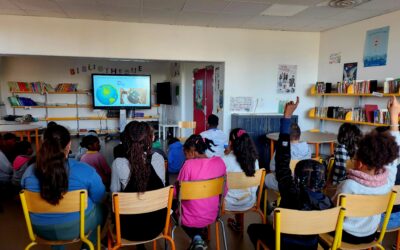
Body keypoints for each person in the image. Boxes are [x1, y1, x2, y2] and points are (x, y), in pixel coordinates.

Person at [247, 97, 333, 250]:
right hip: (310, 246)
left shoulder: (289, 191)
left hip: (284, 243)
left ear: (297, 177)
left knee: (253, 228)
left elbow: (281, 162)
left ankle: (265, 207)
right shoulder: (327, 203)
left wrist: (286, 117)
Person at [21, 124, 106, 250]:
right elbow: (99, 197)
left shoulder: (28, 172)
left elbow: (24, 190)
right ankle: (87, 247)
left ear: (44, 144)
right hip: (78, 228)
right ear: (69, 145)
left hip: (41, 229)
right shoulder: (85, 170)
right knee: (102, 208)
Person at [333, 96, 400, 245]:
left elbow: (334, 213)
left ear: (360, 164)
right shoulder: (388, 181)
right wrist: (394, 119)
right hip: (371, 235)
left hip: (345, 236)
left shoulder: (349, 185)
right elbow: (393, 159)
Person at [109, 121, 166, 242]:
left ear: (125, 140)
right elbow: (161, 188)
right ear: (150, 139)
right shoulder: (158, 159)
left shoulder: (118, 163)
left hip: (128, 230)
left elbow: (114, 195)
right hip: (156, 226)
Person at [175, 134, 227, 250]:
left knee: (174, 206)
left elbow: (178, 194)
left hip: (188, 218)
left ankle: (197, 238)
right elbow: (225, 191)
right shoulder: (220, 162)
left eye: (186, 154)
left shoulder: (188, 165)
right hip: (213, 214)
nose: (185, 158)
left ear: (192, 152)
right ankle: (198, 238)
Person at [223, 128, 259, 232]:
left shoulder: (224, 160)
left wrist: (226, 154)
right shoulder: (254, 160)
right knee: (242, 189)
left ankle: (203, 233)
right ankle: (238, 224)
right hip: (249, 202)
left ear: (230, 143)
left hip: (227, 204)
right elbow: (253, 188)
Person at [265, 123, 312, 191]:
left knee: (265, 178)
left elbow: (272, 168)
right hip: (302, 183)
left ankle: (265, 200)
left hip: (286, 184)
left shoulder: (282, 150)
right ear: (299, 135)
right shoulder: (308, 148)